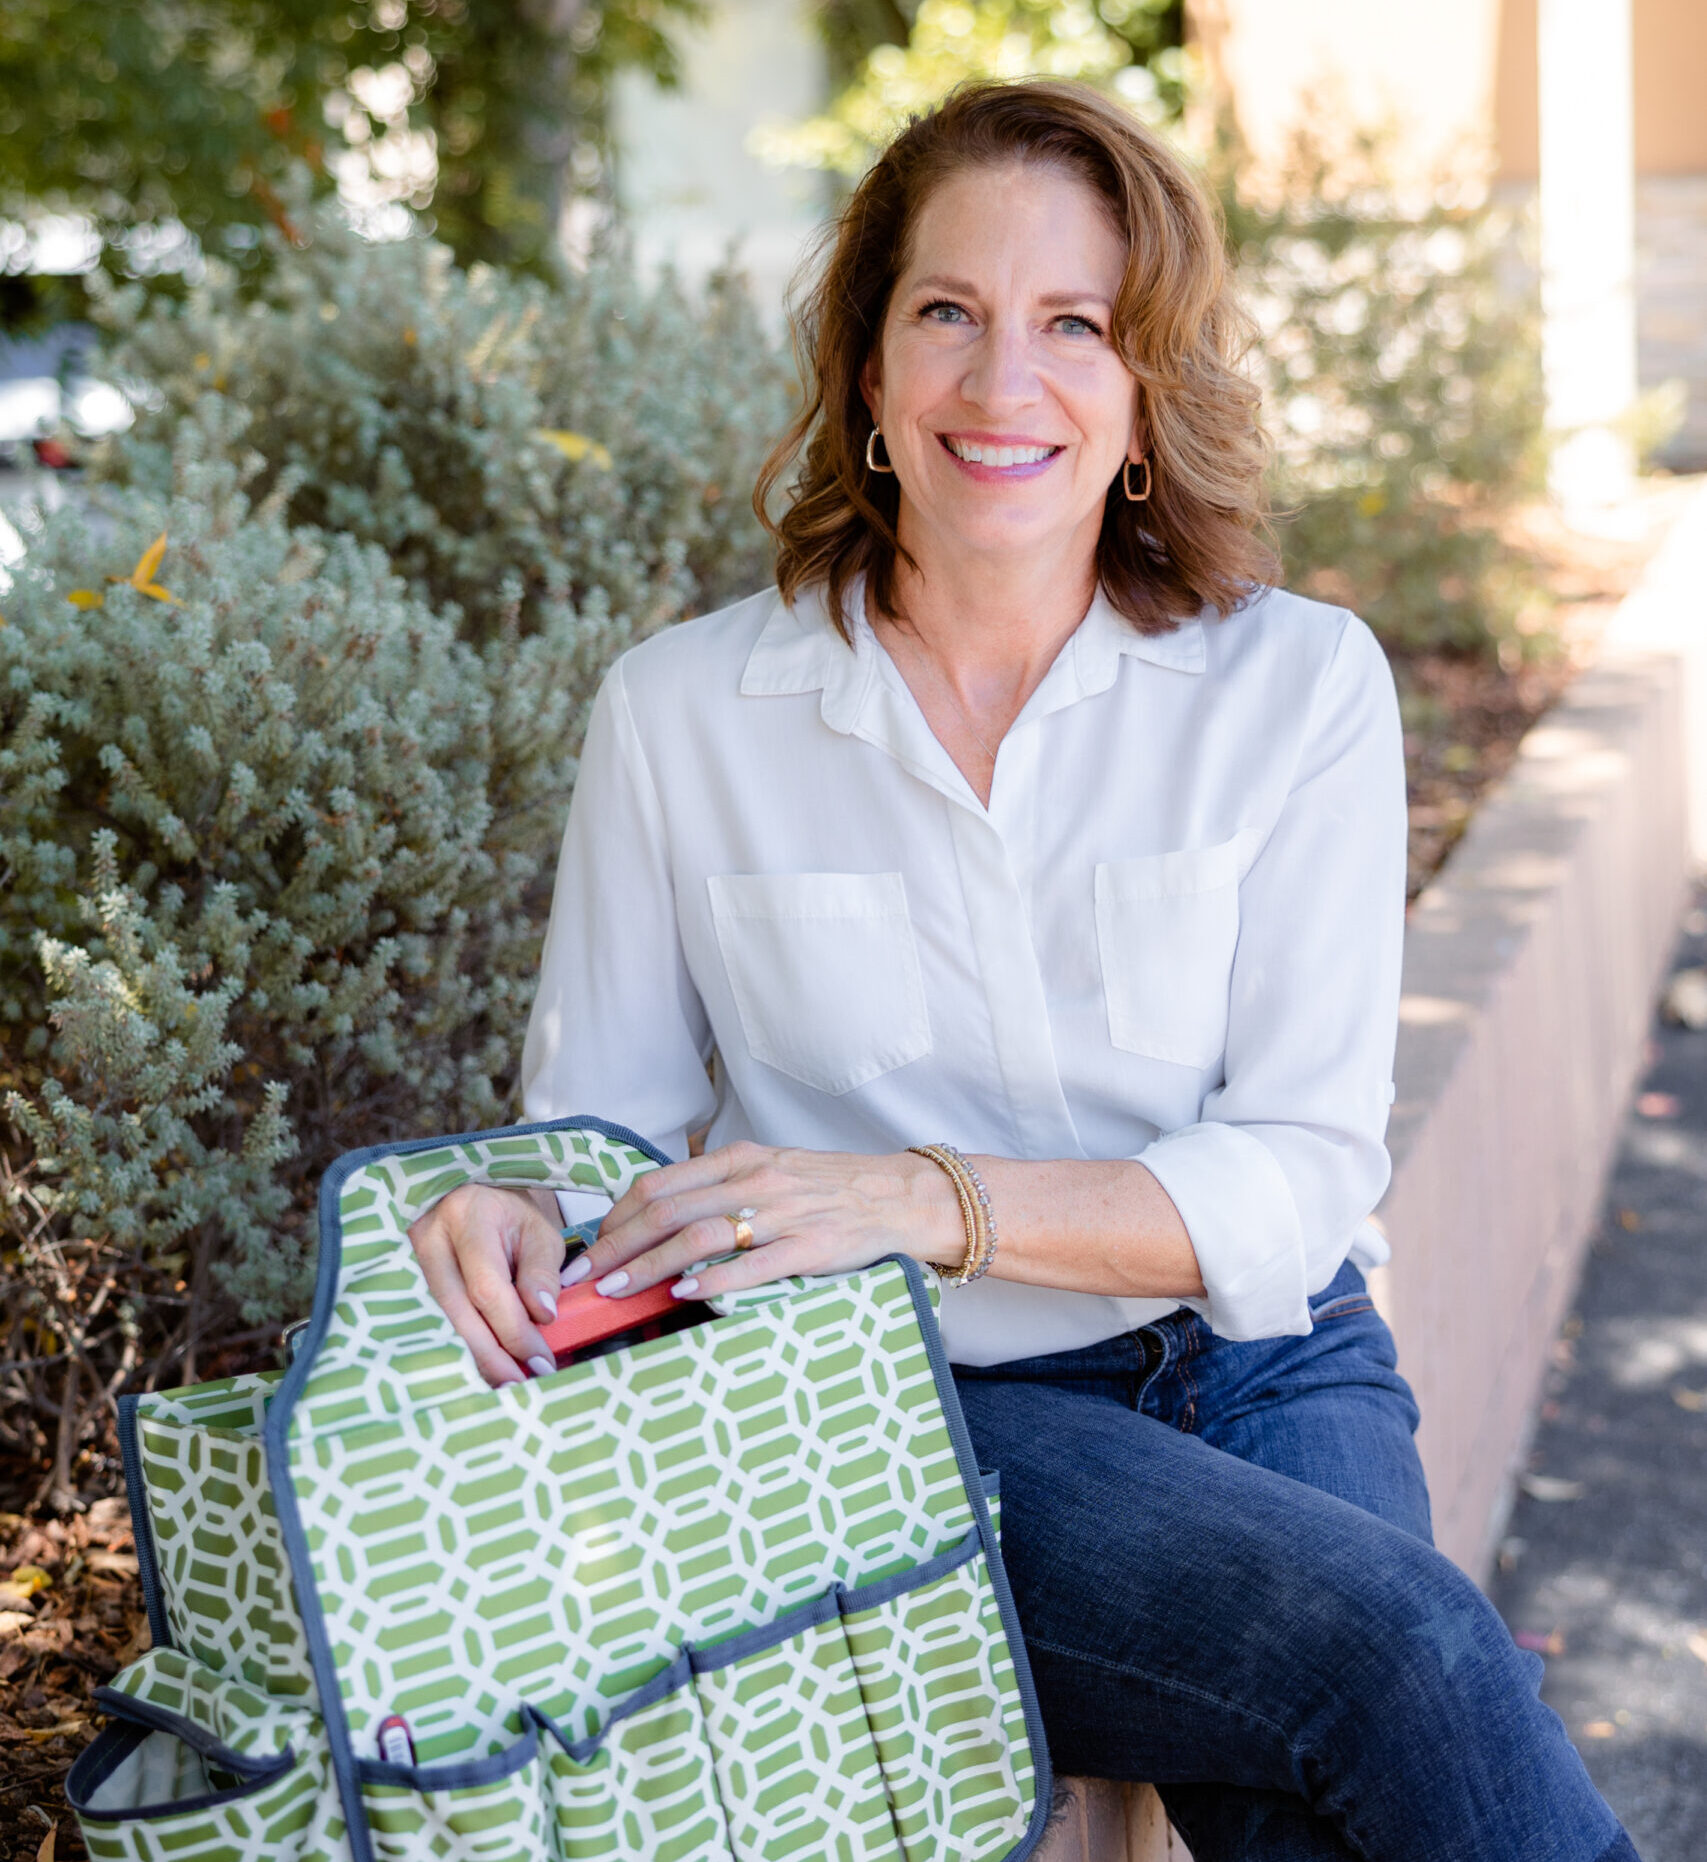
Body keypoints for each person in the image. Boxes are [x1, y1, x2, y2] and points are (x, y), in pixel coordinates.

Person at [408, 79, 1639, 1861]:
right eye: (950, 316)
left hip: (1266, 1359)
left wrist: (924, 1192)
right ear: (866, 372)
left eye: (1075, 325)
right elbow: (596, 1125)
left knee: (1318, 1790)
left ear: (1144, 395)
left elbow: (1301, 1174)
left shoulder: (1297, 689)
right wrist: (518, 1208)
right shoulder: (682, 716)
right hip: (903, 1401)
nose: (1005, 386)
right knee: (1403, 1644)